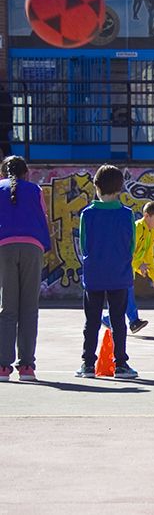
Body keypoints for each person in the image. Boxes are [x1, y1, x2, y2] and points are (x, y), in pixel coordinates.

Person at [75, 165, 139, 379]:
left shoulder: (87, 214)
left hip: (94, 274)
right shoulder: (127, 214)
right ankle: (120, 364)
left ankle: (87, 364)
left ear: (96, 187)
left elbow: (84, 245)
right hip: (119, 274)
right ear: (120, 188)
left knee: (91, 320)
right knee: (118, 319)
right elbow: (131, 245)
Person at [0, 156, 50, 382]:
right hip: (32, 247)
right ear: (26, 173)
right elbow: (43, 219)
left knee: (7, 308)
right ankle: (27, 367)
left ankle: (3, 366)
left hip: (4, 248)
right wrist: (44, 247)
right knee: (29, 309)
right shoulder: (35, 190)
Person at [102, 201, 154, 333]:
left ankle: (107, 319)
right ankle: (133, 321)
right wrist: (138, 264)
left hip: (128, 269)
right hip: (119, 266)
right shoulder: (136, 228)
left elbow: (149, 256)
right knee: (126, 294)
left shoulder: (152, 233)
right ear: (146, 216)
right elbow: (127, 250)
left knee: (123, 296)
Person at [0, 85, 12, 159]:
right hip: (4, 124)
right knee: (4, 142)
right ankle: (8, 157)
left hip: (3, 123)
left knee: (4, 142)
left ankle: (7, 157)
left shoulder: (4, 95)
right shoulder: (6, 95)